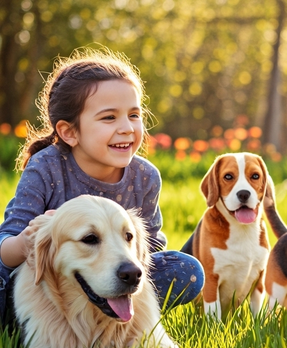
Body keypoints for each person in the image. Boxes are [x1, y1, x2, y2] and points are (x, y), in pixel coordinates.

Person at [0, 47, 203, 329]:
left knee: (186, 269)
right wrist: (26, 242)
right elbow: (6, 242)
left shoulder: (144, 176)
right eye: (109, 118)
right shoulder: (45, 168)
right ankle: (20, 326)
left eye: (134, 115)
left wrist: (127, 256)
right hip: (48, 286)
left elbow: (152, 247)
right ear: (69, 132)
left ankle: (120, 320)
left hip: (121, 274)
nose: (127, 128)